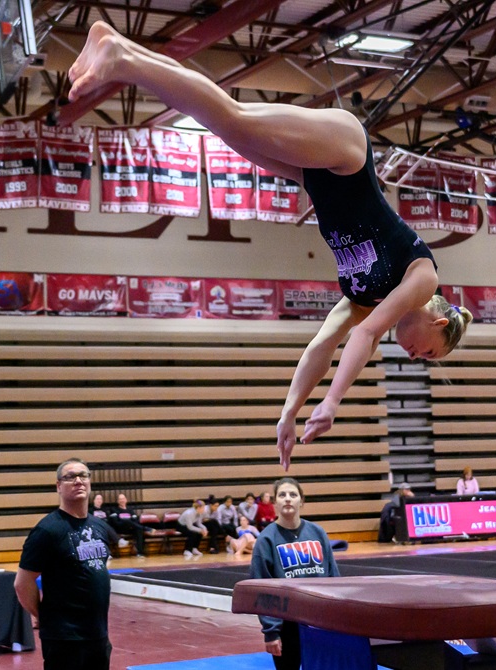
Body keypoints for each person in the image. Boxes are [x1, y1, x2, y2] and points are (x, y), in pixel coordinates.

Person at [67, 22, 472, 471]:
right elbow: (364, 335)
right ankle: (121, 60)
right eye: (429, 351)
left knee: (223, 125)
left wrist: (290, 411)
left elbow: (322, 345)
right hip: (347, 155)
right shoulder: (422, 276)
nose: (416, 356)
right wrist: (332, 401)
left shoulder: (365, 298)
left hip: (316, 176)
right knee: (232, 115)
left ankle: (120, 48)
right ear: (437, 321)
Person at [15, 459, 113, 670]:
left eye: (83, 475)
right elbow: (22, 583)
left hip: (98, 634)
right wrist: (44, 617)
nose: (78, 481)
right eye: (70, 477)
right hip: (65, 639)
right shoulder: (47, 530)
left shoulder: (99, 527)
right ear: (59, 486)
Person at [250, 478, 339, 670]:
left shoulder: (317, 532)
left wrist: (338, 618)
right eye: (282, 495)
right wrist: (271, 632)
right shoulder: (266, 539)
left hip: (319, 620)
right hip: (287, 625)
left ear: (302, 501)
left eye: (293, 495)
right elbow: (262, 589)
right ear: (275, 503)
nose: (288, 499)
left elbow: (333, 576)